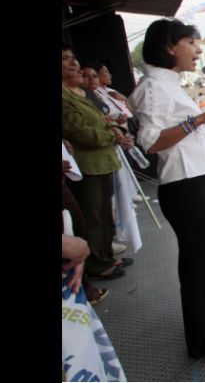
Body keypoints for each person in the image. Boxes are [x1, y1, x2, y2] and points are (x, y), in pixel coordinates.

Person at [127, 19, 205, 357]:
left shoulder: (170, 84)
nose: (198, 49)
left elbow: (182, 129)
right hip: (183, 186)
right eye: (191, 42)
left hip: (194, 182)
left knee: (203, 256)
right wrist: (201, 119)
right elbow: (152, 143)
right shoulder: (154, 88)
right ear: (169, 46)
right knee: (197, 264)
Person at [63, 45, 133, 281]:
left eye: (73, 58)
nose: (73, 64)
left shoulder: (82, 93)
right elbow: (81, 132)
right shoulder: (64, 98)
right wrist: (112, 135)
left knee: (104, 213)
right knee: (93, 216)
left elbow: (103, 121)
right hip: (88, 165)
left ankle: (106, 255)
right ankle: (97, 263)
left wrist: (112, 128)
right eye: (65, 60)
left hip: (104, 161)